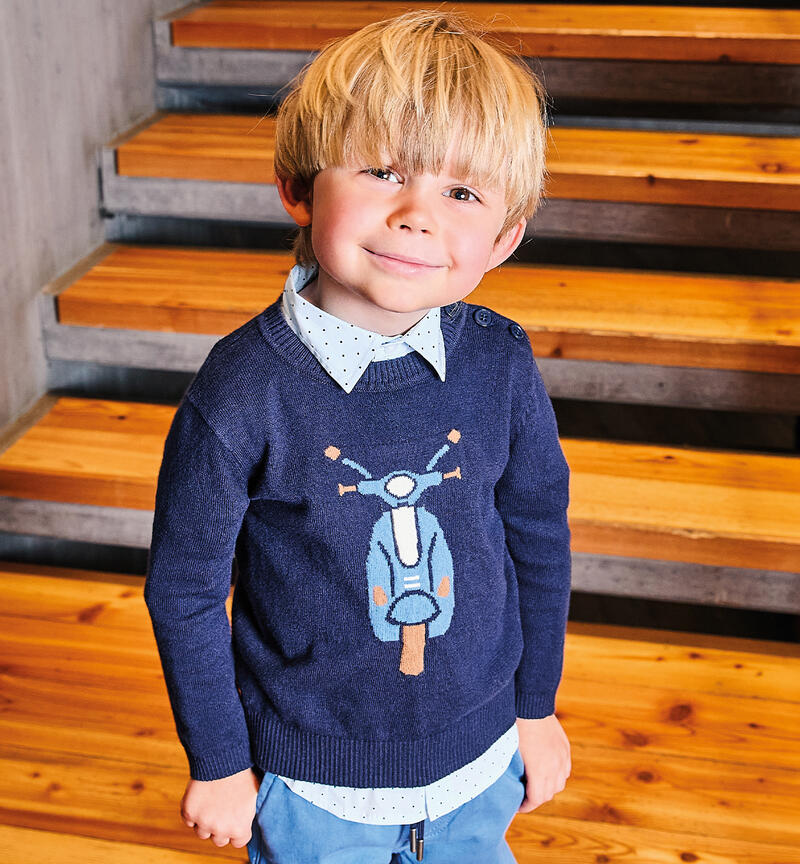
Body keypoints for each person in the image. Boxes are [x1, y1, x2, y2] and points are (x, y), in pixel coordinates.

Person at [144, 9, 572, 863]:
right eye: (383, 171)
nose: (417, 215)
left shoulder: (501, 361)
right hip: (313, 787)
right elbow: (184, 589)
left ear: (504, 239)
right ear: (298, 188)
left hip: (481, 760)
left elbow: (537, 538)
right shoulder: (240, 390)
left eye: (461, 193)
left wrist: (536, 705)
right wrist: (219, 761)